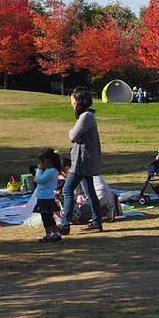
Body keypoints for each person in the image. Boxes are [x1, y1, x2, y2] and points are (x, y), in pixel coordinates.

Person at [60, 87, 103, 234]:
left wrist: (72, 134)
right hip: (85, 159)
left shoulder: (86, 116)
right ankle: (97, 222)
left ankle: (65, 224)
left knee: (67, 190)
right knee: (90, 192)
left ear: (79, 100)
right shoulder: (87, 116)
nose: (70, 101)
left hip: (82, 161)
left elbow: (73, 135)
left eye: (72, 98)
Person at [32, 148, 64, 243]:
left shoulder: (50, 171)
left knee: (46, 218)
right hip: (47, 197)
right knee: (49, 217)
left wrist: (38, 170)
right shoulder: (53, 171)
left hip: (44, 198)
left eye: (42, 161)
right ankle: (56, 233)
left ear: (47, 161)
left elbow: (39, 180)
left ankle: (49, 235)